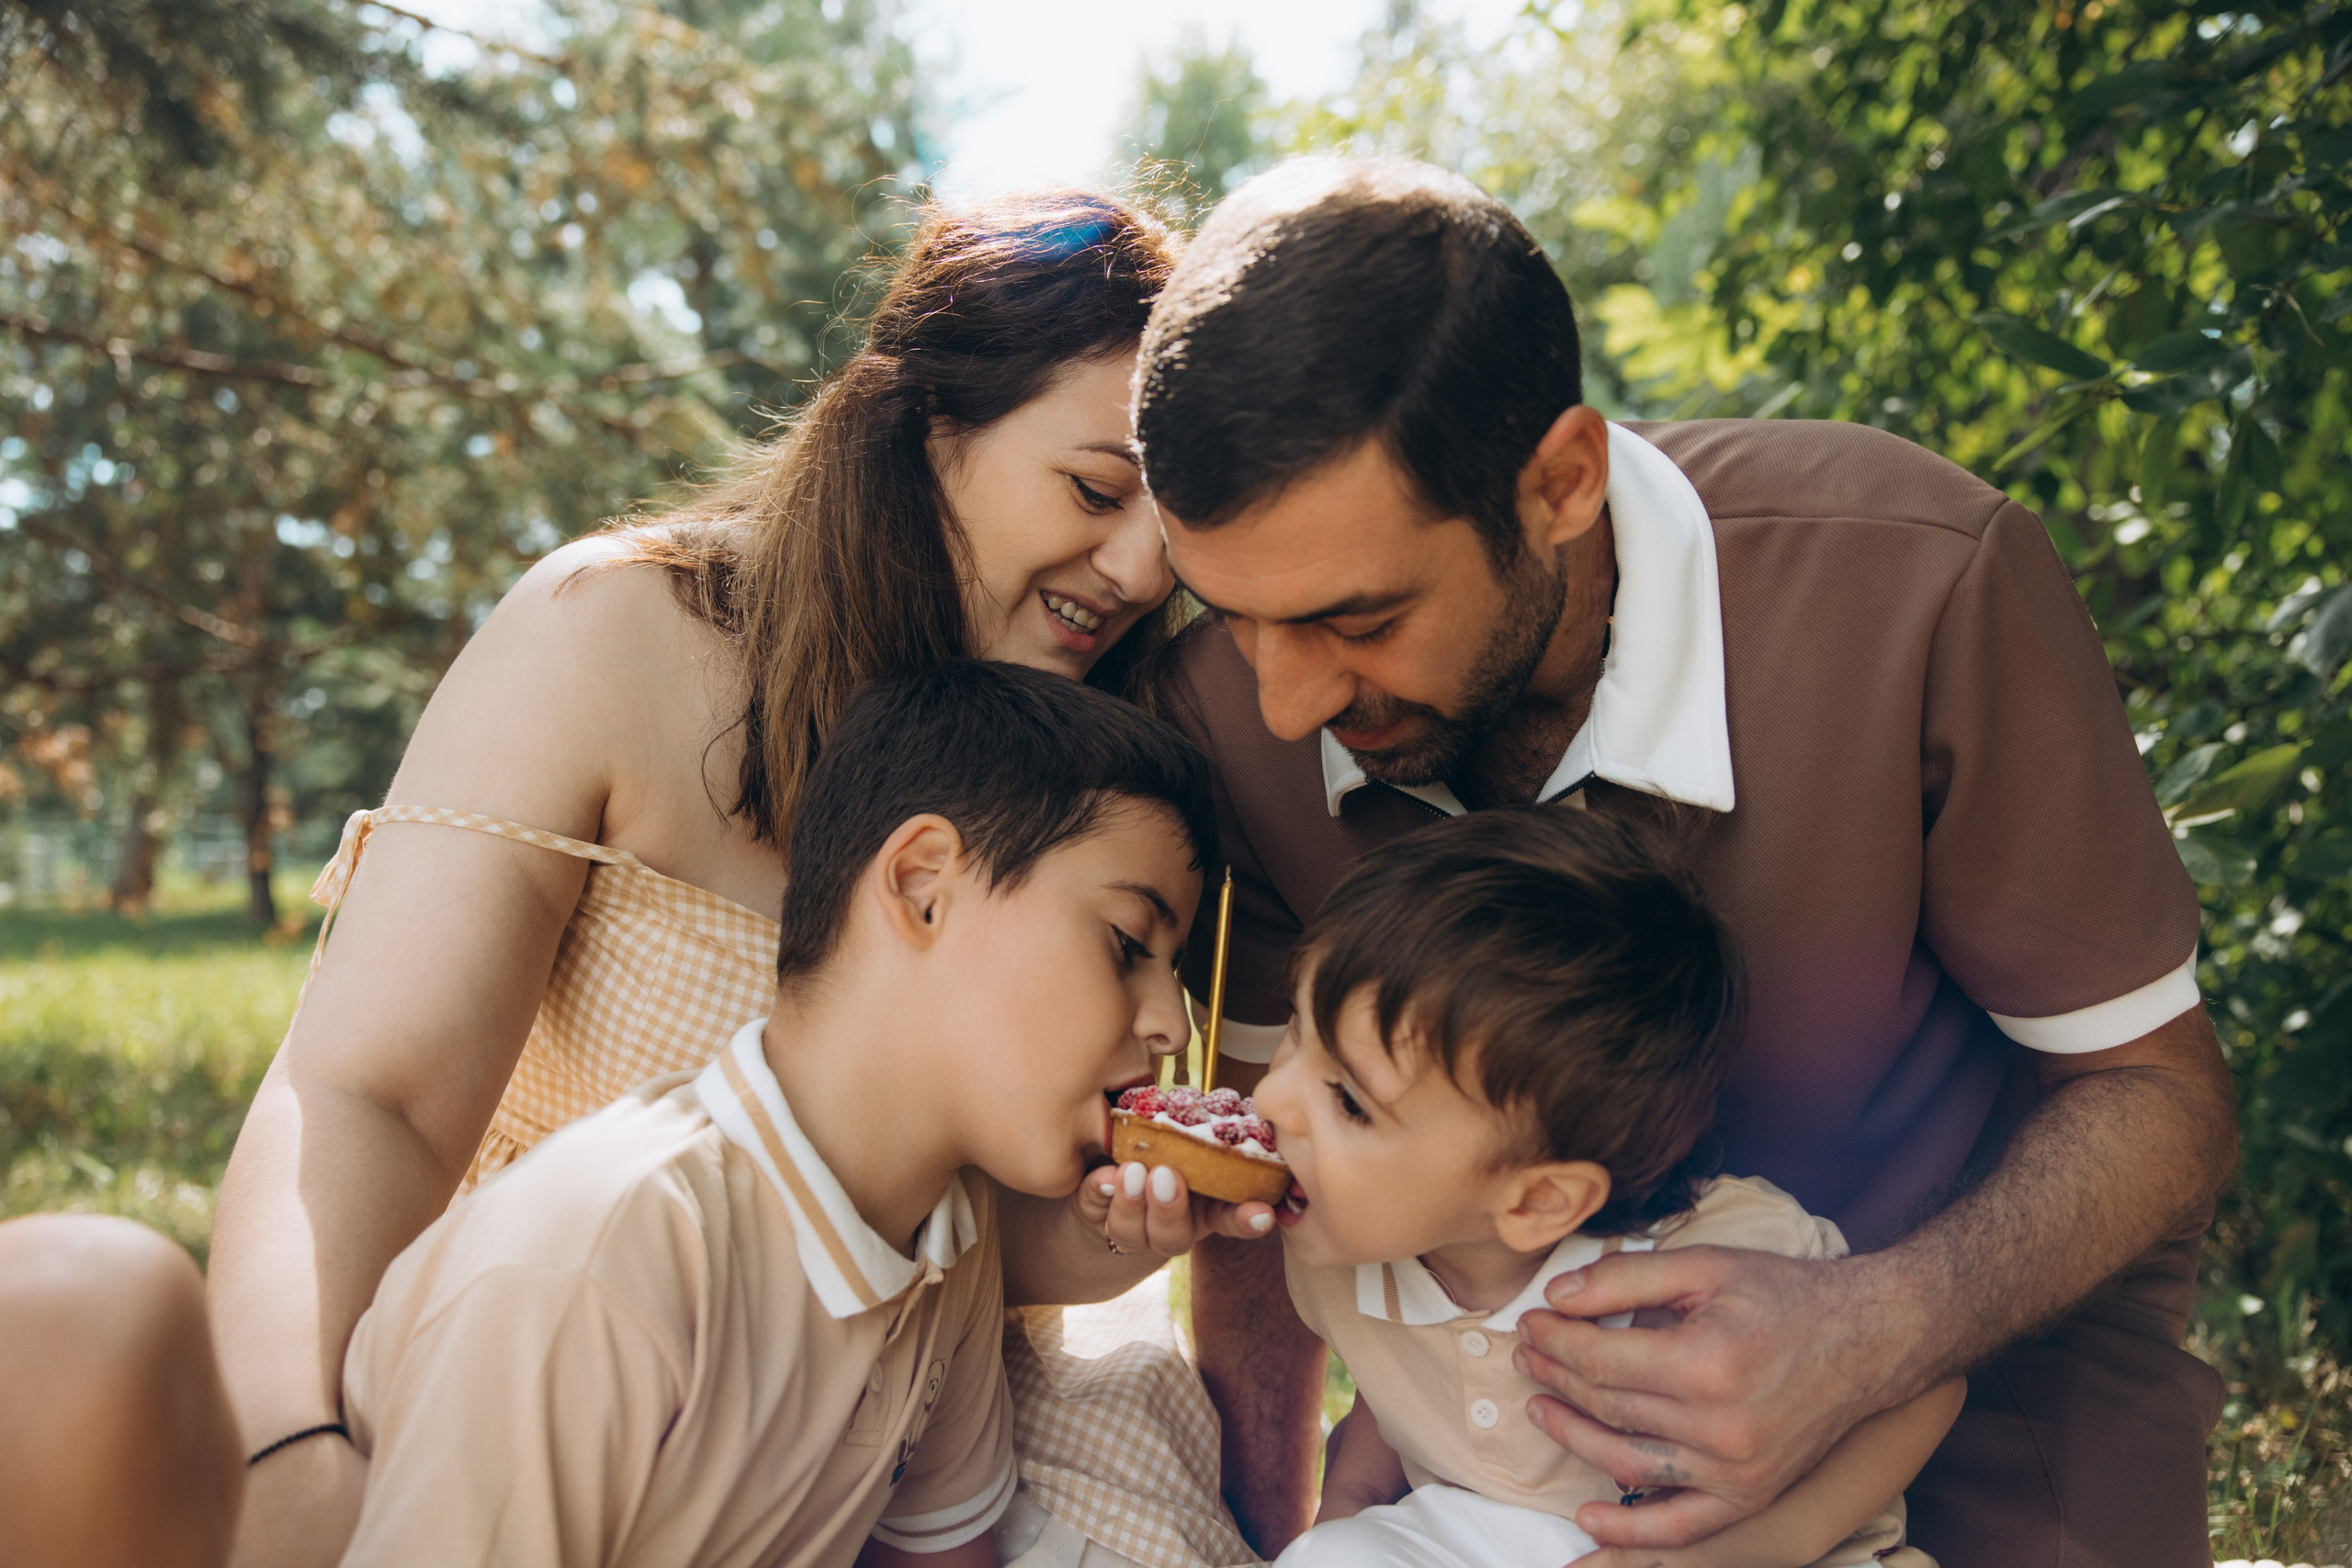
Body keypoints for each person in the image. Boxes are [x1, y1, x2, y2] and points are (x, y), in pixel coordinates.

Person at [0, 190, 1258, 1568]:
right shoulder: (624, 632)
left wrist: (1091, 1245)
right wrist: (299, 1446)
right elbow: (371, 1094)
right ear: (922, 427)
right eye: (1092, 489)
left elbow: (900, 1229)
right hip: (546, 1367)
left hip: (871, 1403)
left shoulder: (1121, 785)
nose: (1141, 568)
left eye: (1177, 529)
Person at [1136, 156, 2237, 1566]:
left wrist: (1875, 1327)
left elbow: (2159, 1094)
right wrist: (1269, 1529)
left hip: (1976, 1355)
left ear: (1561, 483)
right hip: (1508, 1471)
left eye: (1358, 615)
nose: (1285, 704)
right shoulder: (1228, 716)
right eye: (1235, 616)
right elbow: (1265, 1210)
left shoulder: (1918, 583)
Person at [330, 660, 1226, 1566]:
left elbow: (942, 1553)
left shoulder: (949, 1239)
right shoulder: (598, 1262)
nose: (1168, 1023)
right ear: (923, 888)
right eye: (1126, 945)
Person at [1258, 807, 1962, 1568]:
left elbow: (1923, 1388)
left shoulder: (1731, 1256)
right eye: (1295, 1028)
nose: (1271, 1099)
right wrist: (1352, 1500)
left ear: (1537, 1202)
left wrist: (1748, 1550)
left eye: (1350, 1101)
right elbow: (1402, 1379)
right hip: (1478, 1533)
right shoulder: (1340, 1242)